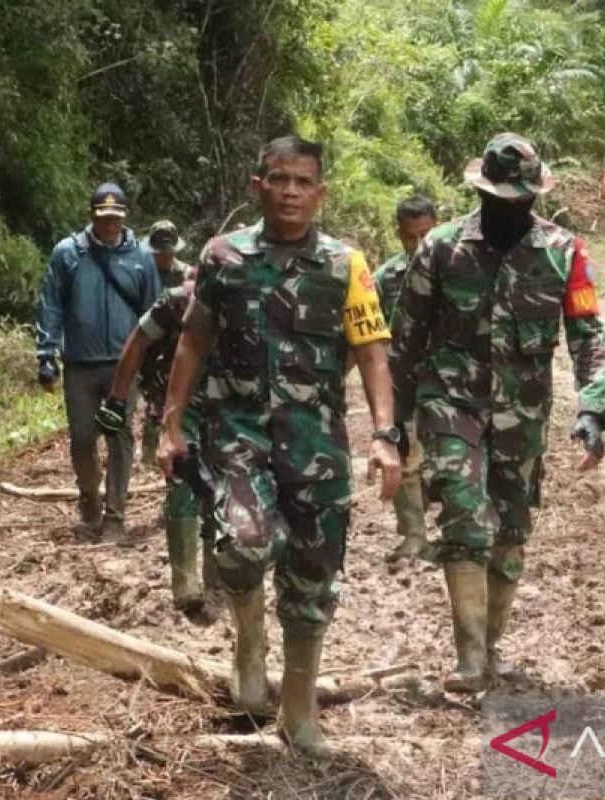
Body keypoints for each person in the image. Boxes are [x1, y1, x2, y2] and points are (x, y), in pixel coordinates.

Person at [159, 135, 402, 756]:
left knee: (313, 577)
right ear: (257, 186)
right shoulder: (222, 257)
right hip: (237, 434)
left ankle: (297, 715)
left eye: (302, 182)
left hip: (315, 445)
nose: (290, 191)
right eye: (278, 179)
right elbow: (191, 340)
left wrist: (384, 435)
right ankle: (248, 641)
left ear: (320, 193)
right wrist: (171, 423)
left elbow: (373, 353)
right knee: (243, 546)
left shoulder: (346, 265)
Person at [389, 133, 605, 693]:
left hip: (523, 415)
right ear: (481, 192)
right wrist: (390, 424)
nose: (512, 209)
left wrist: (594, 409)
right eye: (501, 199)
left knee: (511, 533)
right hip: (451, 403)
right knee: (466, 518)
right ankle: (467, 660)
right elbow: (405, 341)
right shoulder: (440, 249)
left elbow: (587, 335)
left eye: (523, 200)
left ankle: (489, 648)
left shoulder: (564, 252)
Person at [34, 183, 162, 539]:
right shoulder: (69, 254)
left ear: (124, 217)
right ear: (92, 215)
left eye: (115, 218)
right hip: (80, 364)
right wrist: (46, 353)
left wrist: (155, 362)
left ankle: (115, 515)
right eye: (103, 217)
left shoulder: (141, 258)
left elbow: (155, 310)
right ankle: (89, 495)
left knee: (120, 438)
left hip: (125, 365)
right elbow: (51, 304)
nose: (109, 224)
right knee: (82, 439)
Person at [94, 258, 219, 620]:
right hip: (177, 404)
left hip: (227, 406)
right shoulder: (174, 304)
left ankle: (218, 581)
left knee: (221, 489)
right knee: (183, 482)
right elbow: (136, 343)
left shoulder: (247, 303)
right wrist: (118, 398)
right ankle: (186, 585)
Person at [373, 196, 437, 561]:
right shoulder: (386, 279)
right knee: (404, 454)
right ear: (399, 235)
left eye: (427, 235)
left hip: (447, 382)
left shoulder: (456, 269)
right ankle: (414, 534)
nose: (420, 246)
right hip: (402, 382)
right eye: (411, 238)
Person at [138, 220, 190, 469]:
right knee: (153, 403)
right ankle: (148, 457)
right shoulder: (141, 274)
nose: (164, 257)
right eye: (160, 253)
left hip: (178, 347)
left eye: (168, 252)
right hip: (151, 347)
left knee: (177, 398)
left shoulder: (187, 274)